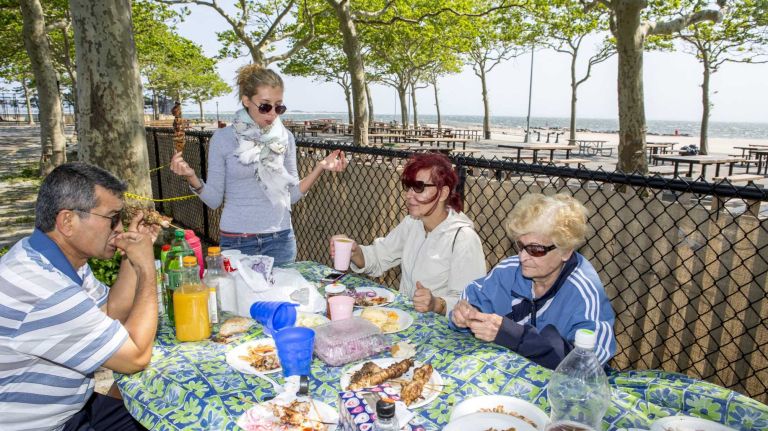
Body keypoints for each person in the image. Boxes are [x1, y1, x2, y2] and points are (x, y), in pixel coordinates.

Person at [0, 162, 160, 430]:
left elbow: (113, 313)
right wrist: (146, 268)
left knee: (161, 411)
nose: (119, 229)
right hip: (46, 425)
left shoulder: (48, 258)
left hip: (73, 408)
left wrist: (132, 256)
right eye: (112, 218)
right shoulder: (46, 290)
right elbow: (135, 357)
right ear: (67, 221)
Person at [170, 65, 348, 265]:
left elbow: (291, 196)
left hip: (280, 239)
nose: (272, 113)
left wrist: (320, 167)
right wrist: (191, 177)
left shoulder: (285, 138)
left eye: (279, 107)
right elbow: (213, 200)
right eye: (265, 106)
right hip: (237, 240)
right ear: (246, 100)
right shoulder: (223, 139)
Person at [450, 193, 616, 369]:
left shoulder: (584, 291)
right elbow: (472, 300)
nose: (522, 257)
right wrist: (466, 315)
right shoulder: (508, 270)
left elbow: (589, 362)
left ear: (565, 251)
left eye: (535, 250)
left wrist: (513, 335)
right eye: (520, 246)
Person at [331, 153, 486, 315]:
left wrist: (436, 304)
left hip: (440, 327)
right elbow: (379, 256)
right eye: (408, 186)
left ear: (443, 193)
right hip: (404, 318)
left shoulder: (463, 238)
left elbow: (472, 303)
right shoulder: (412, 223)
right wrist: (355, 252)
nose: (408, 195)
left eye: (419, 187)